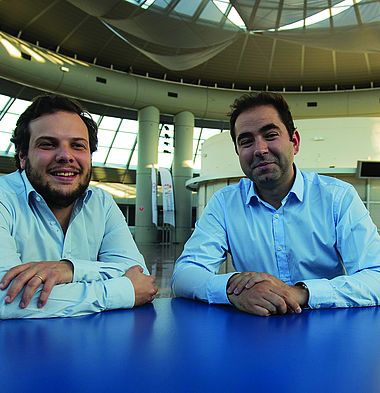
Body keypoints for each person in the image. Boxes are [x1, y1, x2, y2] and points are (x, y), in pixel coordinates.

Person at [172, 91, 380, 316]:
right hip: (255, 332)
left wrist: (300, 292)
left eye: (270, 135)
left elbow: (376, 276)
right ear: (238, 152)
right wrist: (232, 288)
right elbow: (184, 274)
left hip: (324, 327)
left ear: (295, 142)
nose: (260, 150)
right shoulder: (225, 203)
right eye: (246, 141)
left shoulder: (338, 197)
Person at [0, 94, 157, 319]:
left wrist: (70, 270)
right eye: (48, 144)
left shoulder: (101, 203)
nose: (66, 156)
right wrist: (123, 290)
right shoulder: (3, 198)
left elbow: (137, 273)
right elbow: (6, 299)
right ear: (23, 156)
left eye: (78, 146)